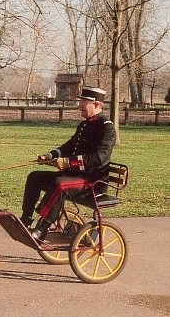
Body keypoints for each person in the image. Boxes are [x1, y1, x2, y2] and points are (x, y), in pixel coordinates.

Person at [20, 86, 116, 240]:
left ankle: (41, 229)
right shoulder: (84, 125)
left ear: (97, 104)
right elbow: (69, 146)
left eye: (84, 102)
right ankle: (25, 219)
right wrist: (50, 155)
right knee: (34, 177)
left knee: (60, 185)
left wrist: (68, 163)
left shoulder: (107, 128)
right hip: (74, 177)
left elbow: (99, 158)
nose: (80, 106)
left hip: (92, 182)